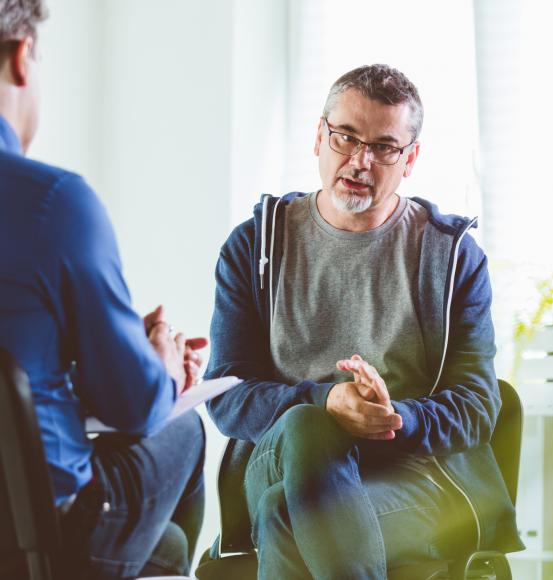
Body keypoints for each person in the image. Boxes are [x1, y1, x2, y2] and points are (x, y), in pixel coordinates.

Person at [204, 64, 523, 578]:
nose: (360, 160)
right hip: (280, 458)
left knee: (285, 517)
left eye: (383, 147)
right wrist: (324, 400)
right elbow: (226, 391)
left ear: (410, 158)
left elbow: (479, 405)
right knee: (309, 426)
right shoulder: (256, 247)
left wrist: (393, 417)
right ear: (318, 137)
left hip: (409, 477)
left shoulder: (451, 255)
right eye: (345, 138)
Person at [0, 1, 207, 577]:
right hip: (34, 535)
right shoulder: (53, 203)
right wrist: (159, 359)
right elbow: (135, 406)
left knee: (160, 545)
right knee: (182, 428)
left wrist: (87, 346)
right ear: (23, 58)